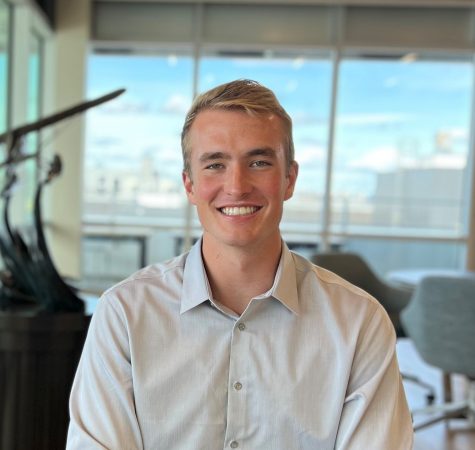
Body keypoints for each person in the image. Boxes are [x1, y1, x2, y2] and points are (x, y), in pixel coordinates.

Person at [67, 79, 413, 449]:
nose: (237, 186)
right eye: (215, 164)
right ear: (190, 185)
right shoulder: (124, 314)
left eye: (259, 162)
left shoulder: (359, 323)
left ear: (289, 179)